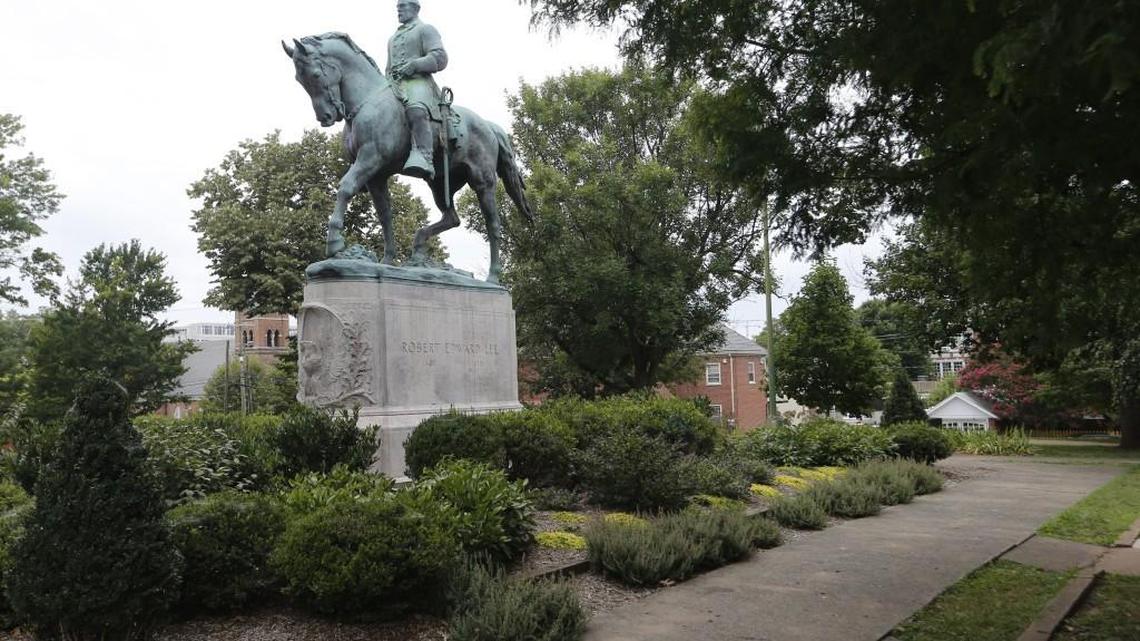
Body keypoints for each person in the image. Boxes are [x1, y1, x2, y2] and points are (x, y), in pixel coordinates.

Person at [387, 0, 448, 180]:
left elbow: (440, 57)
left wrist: (415, 65)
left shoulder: (425, 29)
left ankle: (424, 156)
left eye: (403, 6)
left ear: (416, 8)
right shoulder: (392, 38)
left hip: (419, 82)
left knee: (415, 108)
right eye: (398, 7)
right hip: (396, 84)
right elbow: (388, 68)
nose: (399, 9)